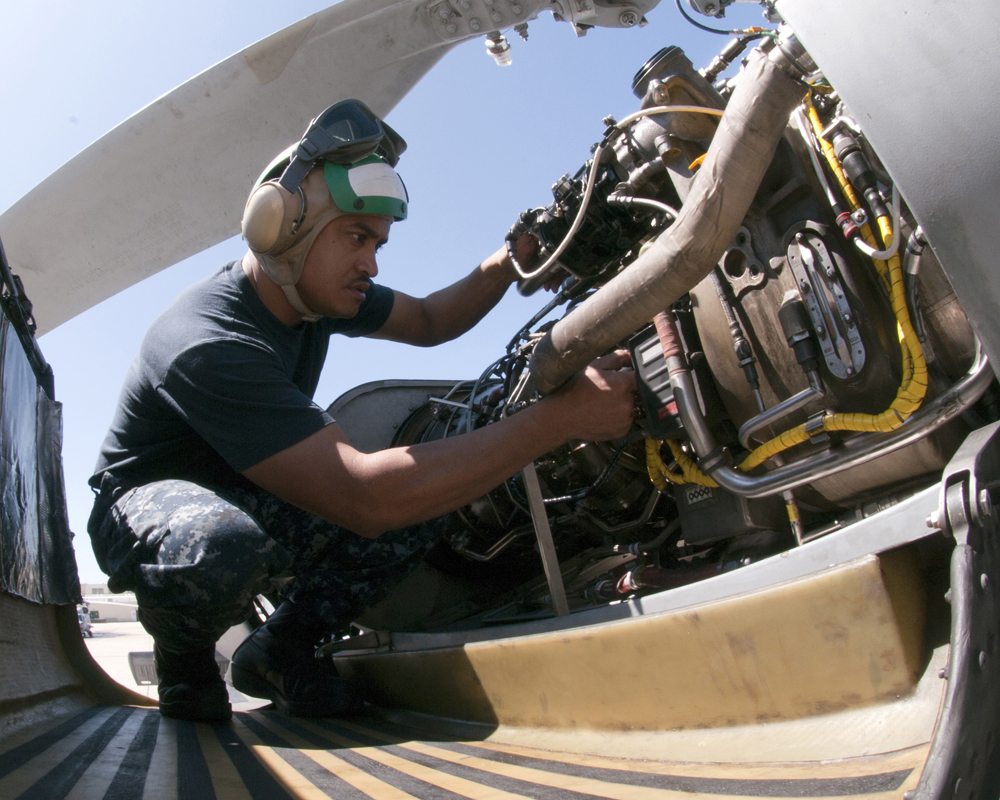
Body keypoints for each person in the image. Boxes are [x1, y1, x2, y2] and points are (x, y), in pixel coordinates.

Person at [86, 100, 636, 722]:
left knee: (428, 498)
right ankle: (183, 661)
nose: (371, 264)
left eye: (377, 242)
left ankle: (281, 650)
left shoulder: (319, 297)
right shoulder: (207, 340)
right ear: (283, 229)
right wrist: (562, 419)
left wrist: (505, 263)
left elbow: (431, 321)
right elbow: (363, 497)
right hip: (143, 502)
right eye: (356, 237)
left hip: (248, 486)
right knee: (225, 548)